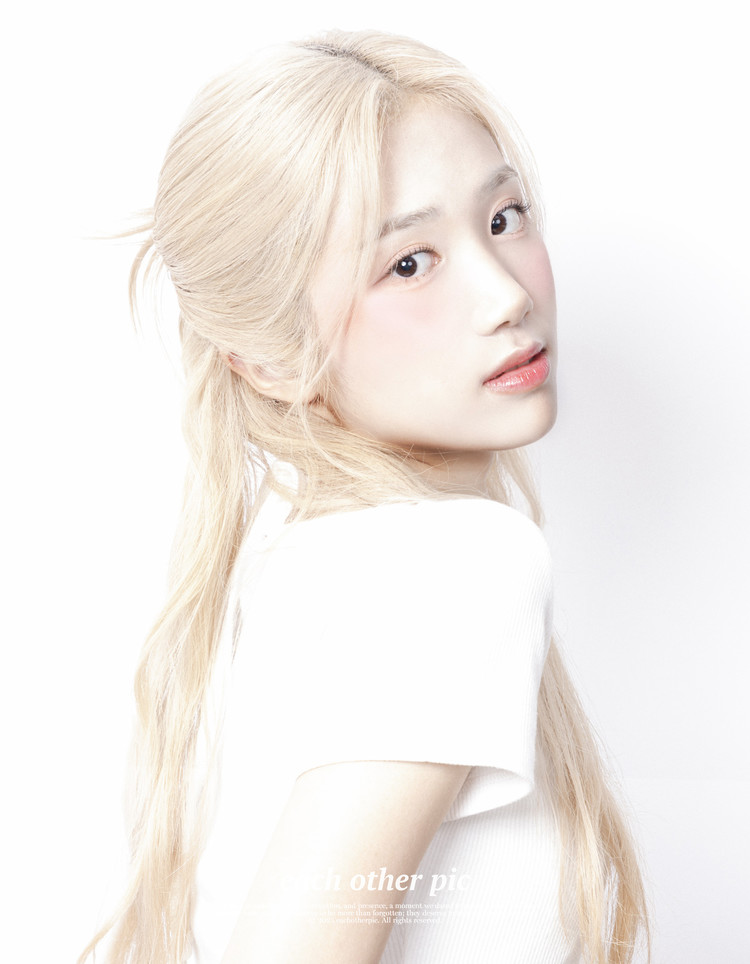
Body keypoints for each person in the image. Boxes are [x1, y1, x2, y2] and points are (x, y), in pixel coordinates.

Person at [80, 29, 649, 964]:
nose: (506, 295)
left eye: (504, 217)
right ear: (269, 359)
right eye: (408, 263)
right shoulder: (457, 566)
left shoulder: (292, 568)